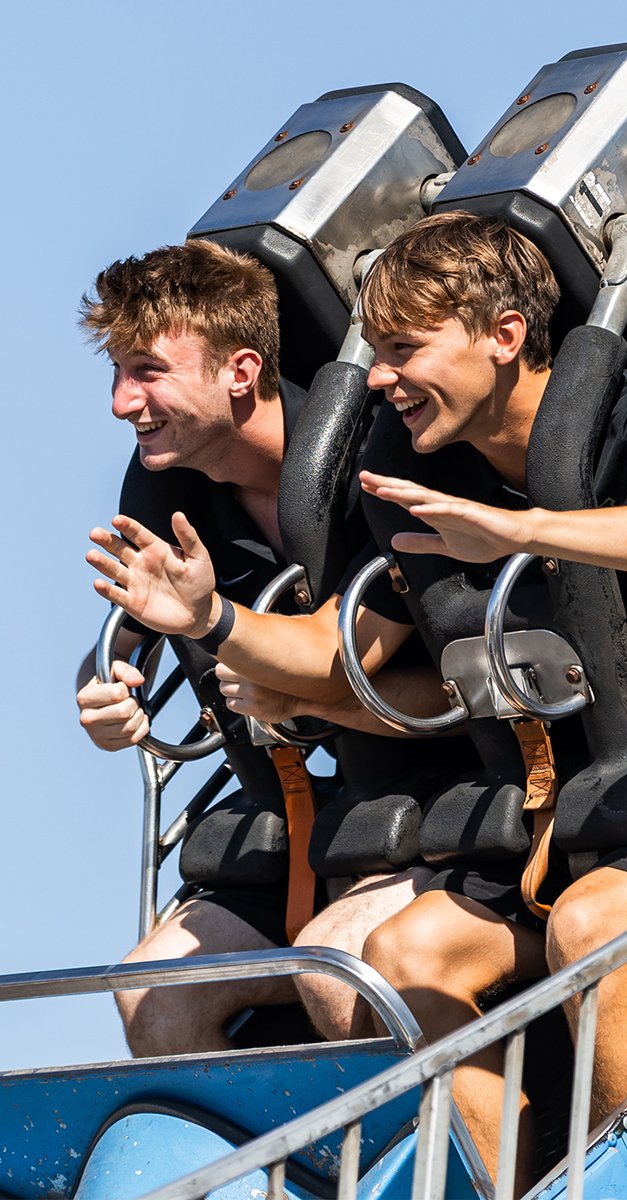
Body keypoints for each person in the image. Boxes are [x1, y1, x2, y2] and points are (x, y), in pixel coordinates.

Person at [86, 212, 627, 1186]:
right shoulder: (414, 469)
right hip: (575, 805)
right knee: (399, 957)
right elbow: (347, 654)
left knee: (589, 930)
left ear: (502, 337)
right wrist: (213, 623)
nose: (376, 377)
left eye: (404, 349)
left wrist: (531, 530)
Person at [77, 239, 439, 1056]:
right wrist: (105, 695)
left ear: (241, 372)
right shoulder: (162, 484)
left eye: (146, 372)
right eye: (115, 375)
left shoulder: (373, 458)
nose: (119, 402)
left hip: (442, 785)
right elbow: (120, 641)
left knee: (341, 968)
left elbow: (349, 659)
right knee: (148, 989)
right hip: (301, 803)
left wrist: (216, 628)